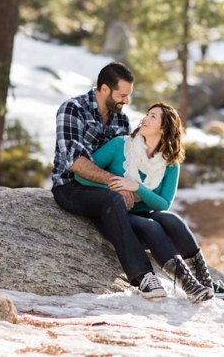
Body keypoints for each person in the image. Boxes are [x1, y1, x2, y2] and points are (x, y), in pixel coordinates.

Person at [74, 102, 224, 303]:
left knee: (173, 220)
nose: (145, 118)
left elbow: (163, 204)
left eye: (153, 116)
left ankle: (206, 284)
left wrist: (136, 187)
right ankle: (189, 285)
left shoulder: (170, 161)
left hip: (141, 214)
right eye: (147, 114)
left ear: (164, 128)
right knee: (153, 226)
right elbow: (82, 175)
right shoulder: (121, 145)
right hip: (115, 214)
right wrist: (117, 188)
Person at [51, 62, 170, 300]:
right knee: (114, 200)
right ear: (105, 89)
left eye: (128, 95)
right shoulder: (73, 109)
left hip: (107, 192)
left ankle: (194, 279)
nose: (126, 101)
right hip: (70, 188)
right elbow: (75, 162)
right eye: (122, 95)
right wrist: (114, 183)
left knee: (161, 220)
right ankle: (142, 275)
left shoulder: (121, 120)